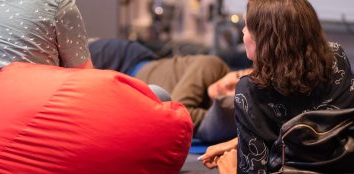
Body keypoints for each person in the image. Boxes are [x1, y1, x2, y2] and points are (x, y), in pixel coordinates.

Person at [199, 0, 354, 172]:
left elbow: (255, 169)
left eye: (247, 26)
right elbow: (315, 132)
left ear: (265, 39)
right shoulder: (336, 55)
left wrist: (230, 168)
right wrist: (238, 142)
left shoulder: (250, 89)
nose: (243, 31)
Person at [89, 38, 252, 142]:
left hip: (125, 80)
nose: (227, 85)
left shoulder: (220, 107)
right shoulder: (212, 65)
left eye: (235, 90)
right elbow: (178, 113)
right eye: (236, 75)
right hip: (124, 60)